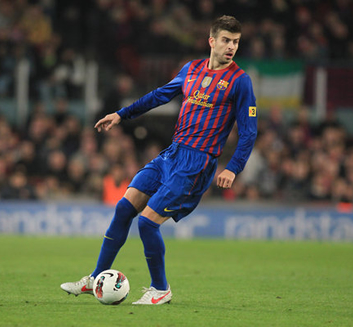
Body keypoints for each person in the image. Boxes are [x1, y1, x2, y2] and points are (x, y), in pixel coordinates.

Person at [60, 15, 258, 305]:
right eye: (226, 40)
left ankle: (160, 288)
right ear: (212, 41)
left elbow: (249, 131)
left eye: (236, 42)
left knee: (147, 223)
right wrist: (121, 114)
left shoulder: (240, 82)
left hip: (197, 163)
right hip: (172, 154)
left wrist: (233, 167)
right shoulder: (191, 70)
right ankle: (95, 278)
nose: (231, 47)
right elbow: (158, 96)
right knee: (124, 208)